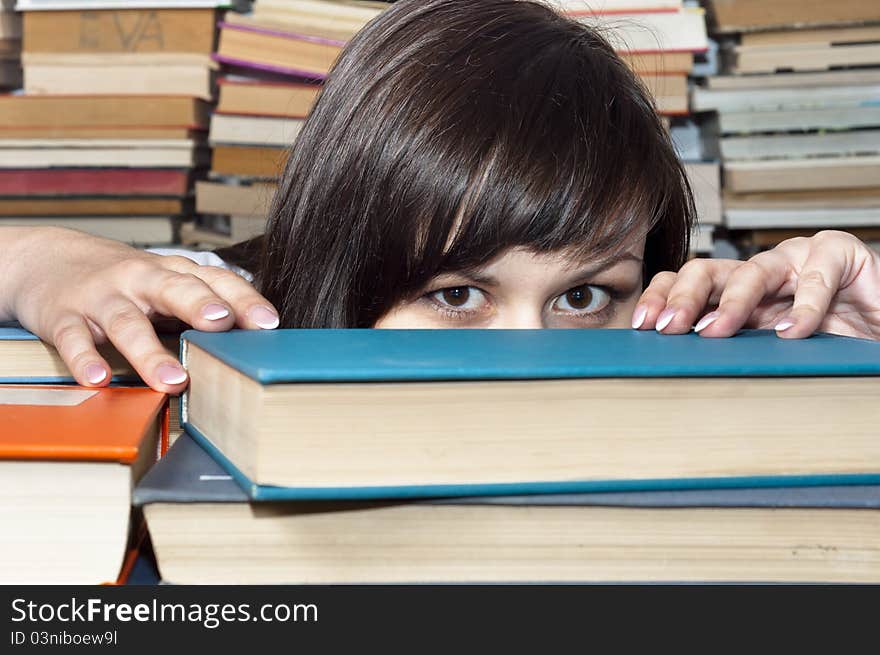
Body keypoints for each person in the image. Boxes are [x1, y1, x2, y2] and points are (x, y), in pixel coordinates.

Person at [1, 0, 879, 395]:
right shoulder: (231, 311)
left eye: (583, 295)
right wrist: (44, 262)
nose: (526, 364)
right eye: (457, 294)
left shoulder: (689, 337)